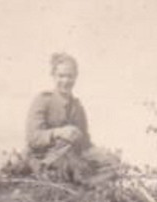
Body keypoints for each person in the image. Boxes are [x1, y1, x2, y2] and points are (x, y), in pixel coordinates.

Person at [24, 53, 118, 184]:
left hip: (72, 157)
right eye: (61, 76)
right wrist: (59, 132)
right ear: (53, 76)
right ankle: (86, 182)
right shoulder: (43, 101)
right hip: (44, 159)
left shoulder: (77, 107)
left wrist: (102, 154)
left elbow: (85, 143)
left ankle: (89, 181)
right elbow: (33, 138)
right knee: (70, 160)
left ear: (76, 77)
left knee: (112, 162)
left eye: (70, 76)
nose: (66, 81)